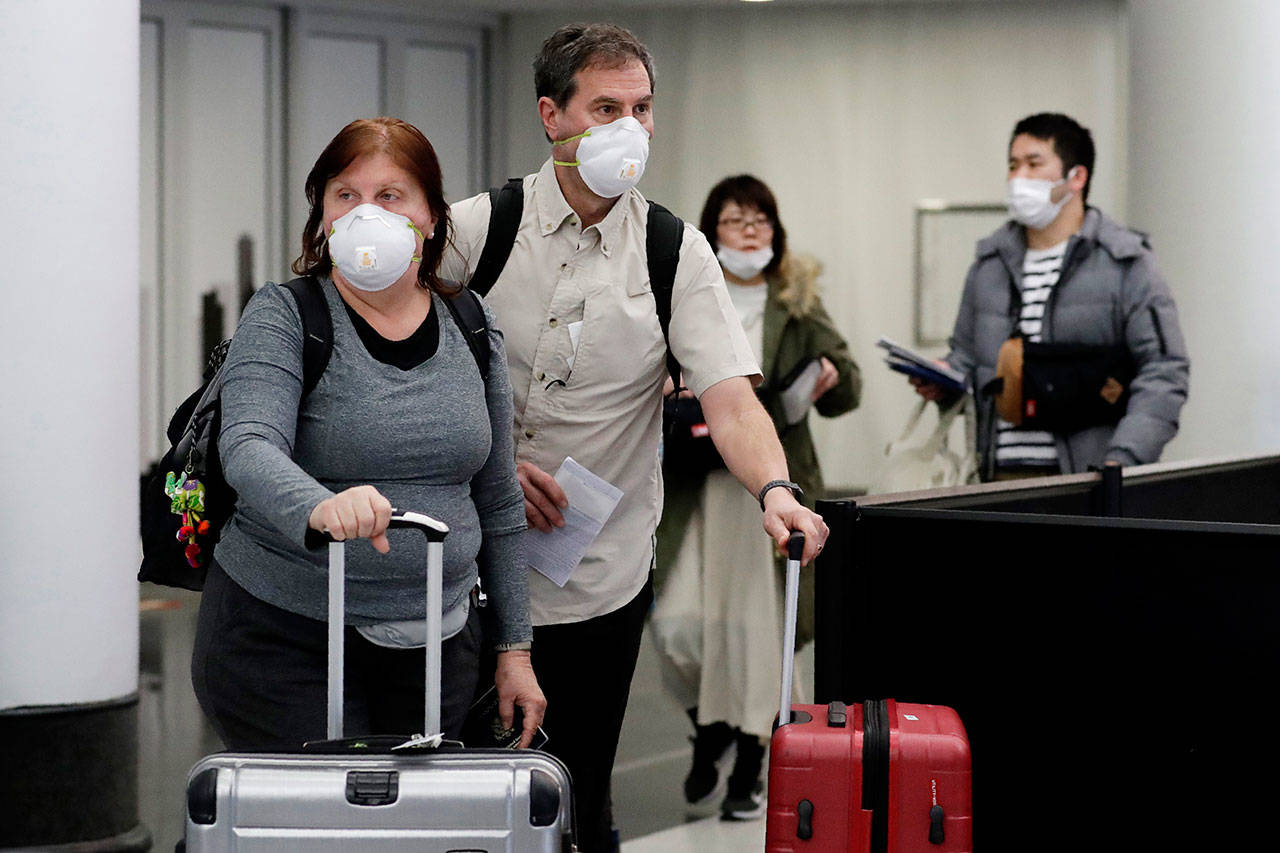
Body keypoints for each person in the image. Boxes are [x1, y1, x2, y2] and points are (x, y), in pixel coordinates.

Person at [441, 24, 829, 852]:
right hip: (466, 570)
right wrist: (496, 463)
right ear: (552, 116)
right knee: (469, 797)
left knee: (575, 791)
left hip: (596, 575)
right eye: (605, 107)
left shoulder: (673, 251)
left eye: (642, 107)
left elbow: (731, 399)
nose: (629, 127)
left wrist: (777, 489)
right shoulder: (479, 229)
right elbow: (403, 365)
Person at [191, 117, 545, 750]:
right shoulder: (286, 314)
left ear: (431, 217)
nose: (365, 214)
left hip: (439, 638)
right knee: (325, 823)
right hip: (285, 636)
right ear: (323, 216)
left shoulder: (470, 321)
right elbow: (247, 443)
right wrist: (321, 505)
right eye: (345, 196)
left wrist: (513, 649)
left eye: (390, 196)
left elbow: (497, 499)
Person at [652, 175, 861, 820]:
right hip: (694, 487)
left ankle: (750, 758)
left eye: (761, 222)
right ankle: (711, 726)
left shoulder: (795, 303)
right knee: (679, 629)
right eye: (736, 221)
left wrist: (814, 389)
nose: (749, 233)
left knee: (756, 636)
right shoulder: (685, 295)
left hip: (770, 490)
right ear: (710, 229)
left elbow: (850, 384)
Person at [912, 112, 1189, 477]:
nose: (1017, 177)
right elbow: (967, 357)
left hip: (1085, 478)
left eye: (1033, 164)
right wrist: (944, 377)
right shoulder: (989, 264)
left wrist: (1122, 461)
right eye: (1012, 165)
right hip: (997, 477)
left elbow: (1164, 370)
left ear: (1077, 177)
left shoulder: (1125, 262)